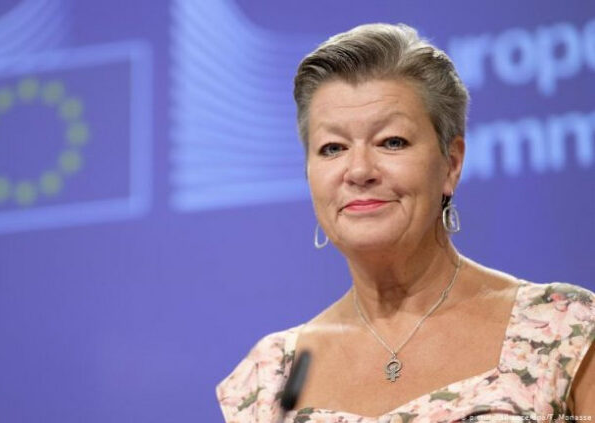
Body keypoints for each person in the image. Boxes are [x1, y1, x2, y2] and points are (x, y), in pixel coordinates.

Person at [216, 23, 594, 422]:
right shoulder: (271, 376)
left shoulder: (562, 330)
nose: (359, 171)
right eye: (332, 148)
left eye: (391, 142)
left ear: (451, 164)